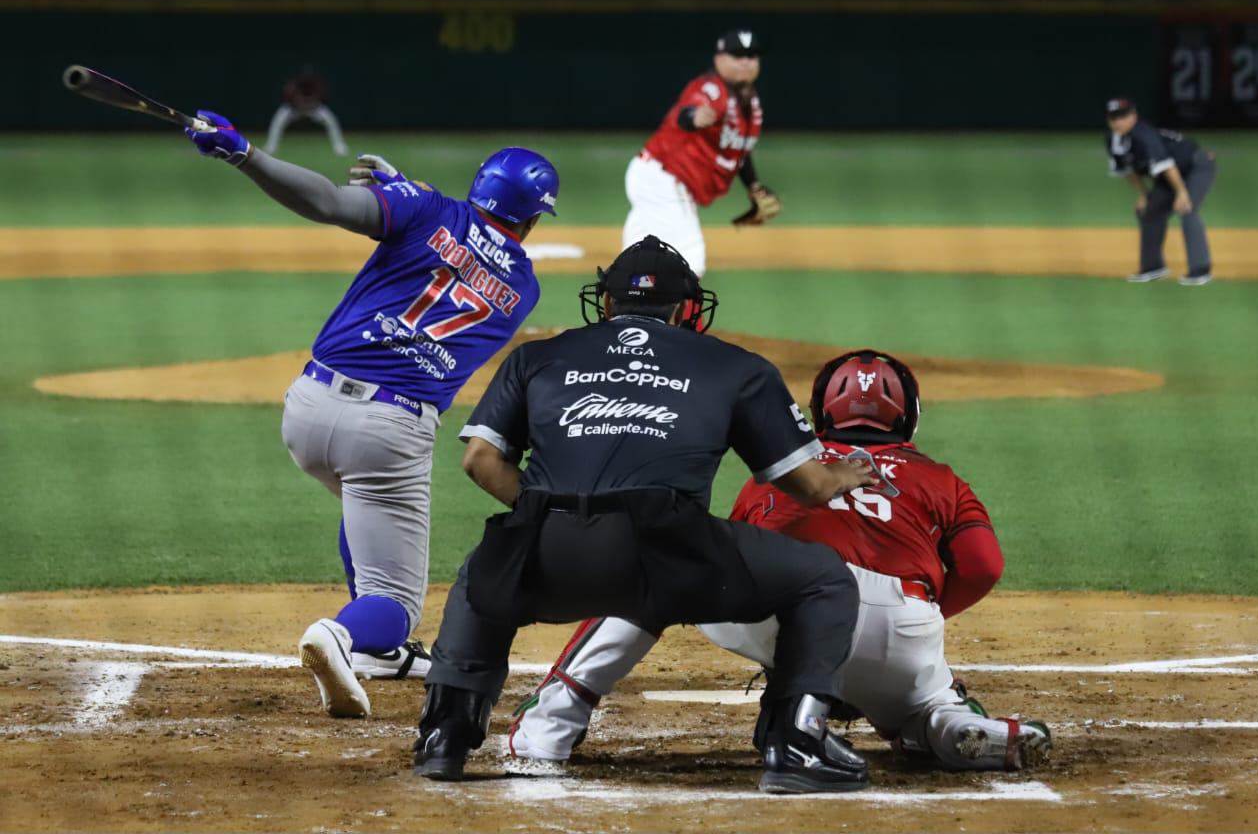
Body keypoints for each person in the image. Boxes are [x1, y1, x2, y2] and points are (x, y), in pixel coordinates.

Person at [413, 235, 883, 793]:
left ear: (606, 303)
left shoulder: (536, 356)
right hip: (673, 563)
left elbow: (480, 460)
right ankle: (796, 744)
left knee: (481, 579)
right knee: (822, 579)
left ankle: (445, 736)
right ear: (687, 310)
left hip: (551, 555)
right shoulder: (738, 367)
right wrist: (846, 472)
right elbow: (806, 486)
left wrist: (551, 513)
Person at [508, 350, 1053, 773]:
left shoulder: (787, 472)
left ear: (820, 411)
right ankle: (948, 721)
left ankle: (550, 724)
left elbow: (735, 564)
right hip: (902, 627)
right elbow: (983, 566)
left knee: (658, 569)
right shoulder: (941, 478)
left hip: (791, 614)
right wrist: (920, 618)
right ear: (908, 416)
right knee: (923, 694)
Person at [183, 109, 559, 718]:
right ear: (534, 216)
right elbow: (463, 253)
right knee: (395, 601)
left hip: (307, 409)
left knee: (363, 502)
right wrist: (413, 195)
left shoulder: (427, 208)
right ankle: (345, 635)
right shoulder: (523, 287)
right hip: (389, 431)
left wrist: (243, 153)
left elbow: (332, 203)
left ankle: (382, 656)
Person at [623, 29, 781, 280]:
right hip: (665, 180)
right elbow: (688, 112)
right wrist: (695, 117)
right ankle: (679, 320)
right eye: (737, 55)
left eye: (751, 56)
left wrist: (753, 185)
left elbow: (739, 150)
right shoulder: (712, 89)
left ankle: (625, 314)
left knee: (635, 262)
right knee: (690, 261)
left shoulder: (750, 102)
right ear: (719, 59)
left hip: (652, 177)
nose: (745, 62)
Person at [1105, 97, 1216, 285]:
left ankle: (1200, 270)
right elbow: (1127, 170)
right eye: (1113, 118)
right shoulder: (1113, 140)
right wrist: (1145, 195)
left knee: (1186, 209)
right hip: (1169, 175)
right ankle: (1153, 267)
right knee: (1149, 211)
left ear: (1134, 117)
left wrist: (1181, 193)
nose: (1118, 122)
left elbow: (1167, 166)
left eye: (1122, 117)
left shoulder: (1143, 136)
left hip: (1196, 166)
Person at [263, 66, 350, 157]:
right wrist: (300, 103)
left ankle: (339, 147)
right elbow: (287, 98)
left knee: (330, 120)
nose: (307, 79)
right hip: (294, 110)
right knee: (279, 119)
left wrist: (309, 103)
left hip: (314, 109)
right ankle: (271, 147)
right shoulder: (293, 85)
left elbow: (324, 99)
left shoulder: (318, 84)